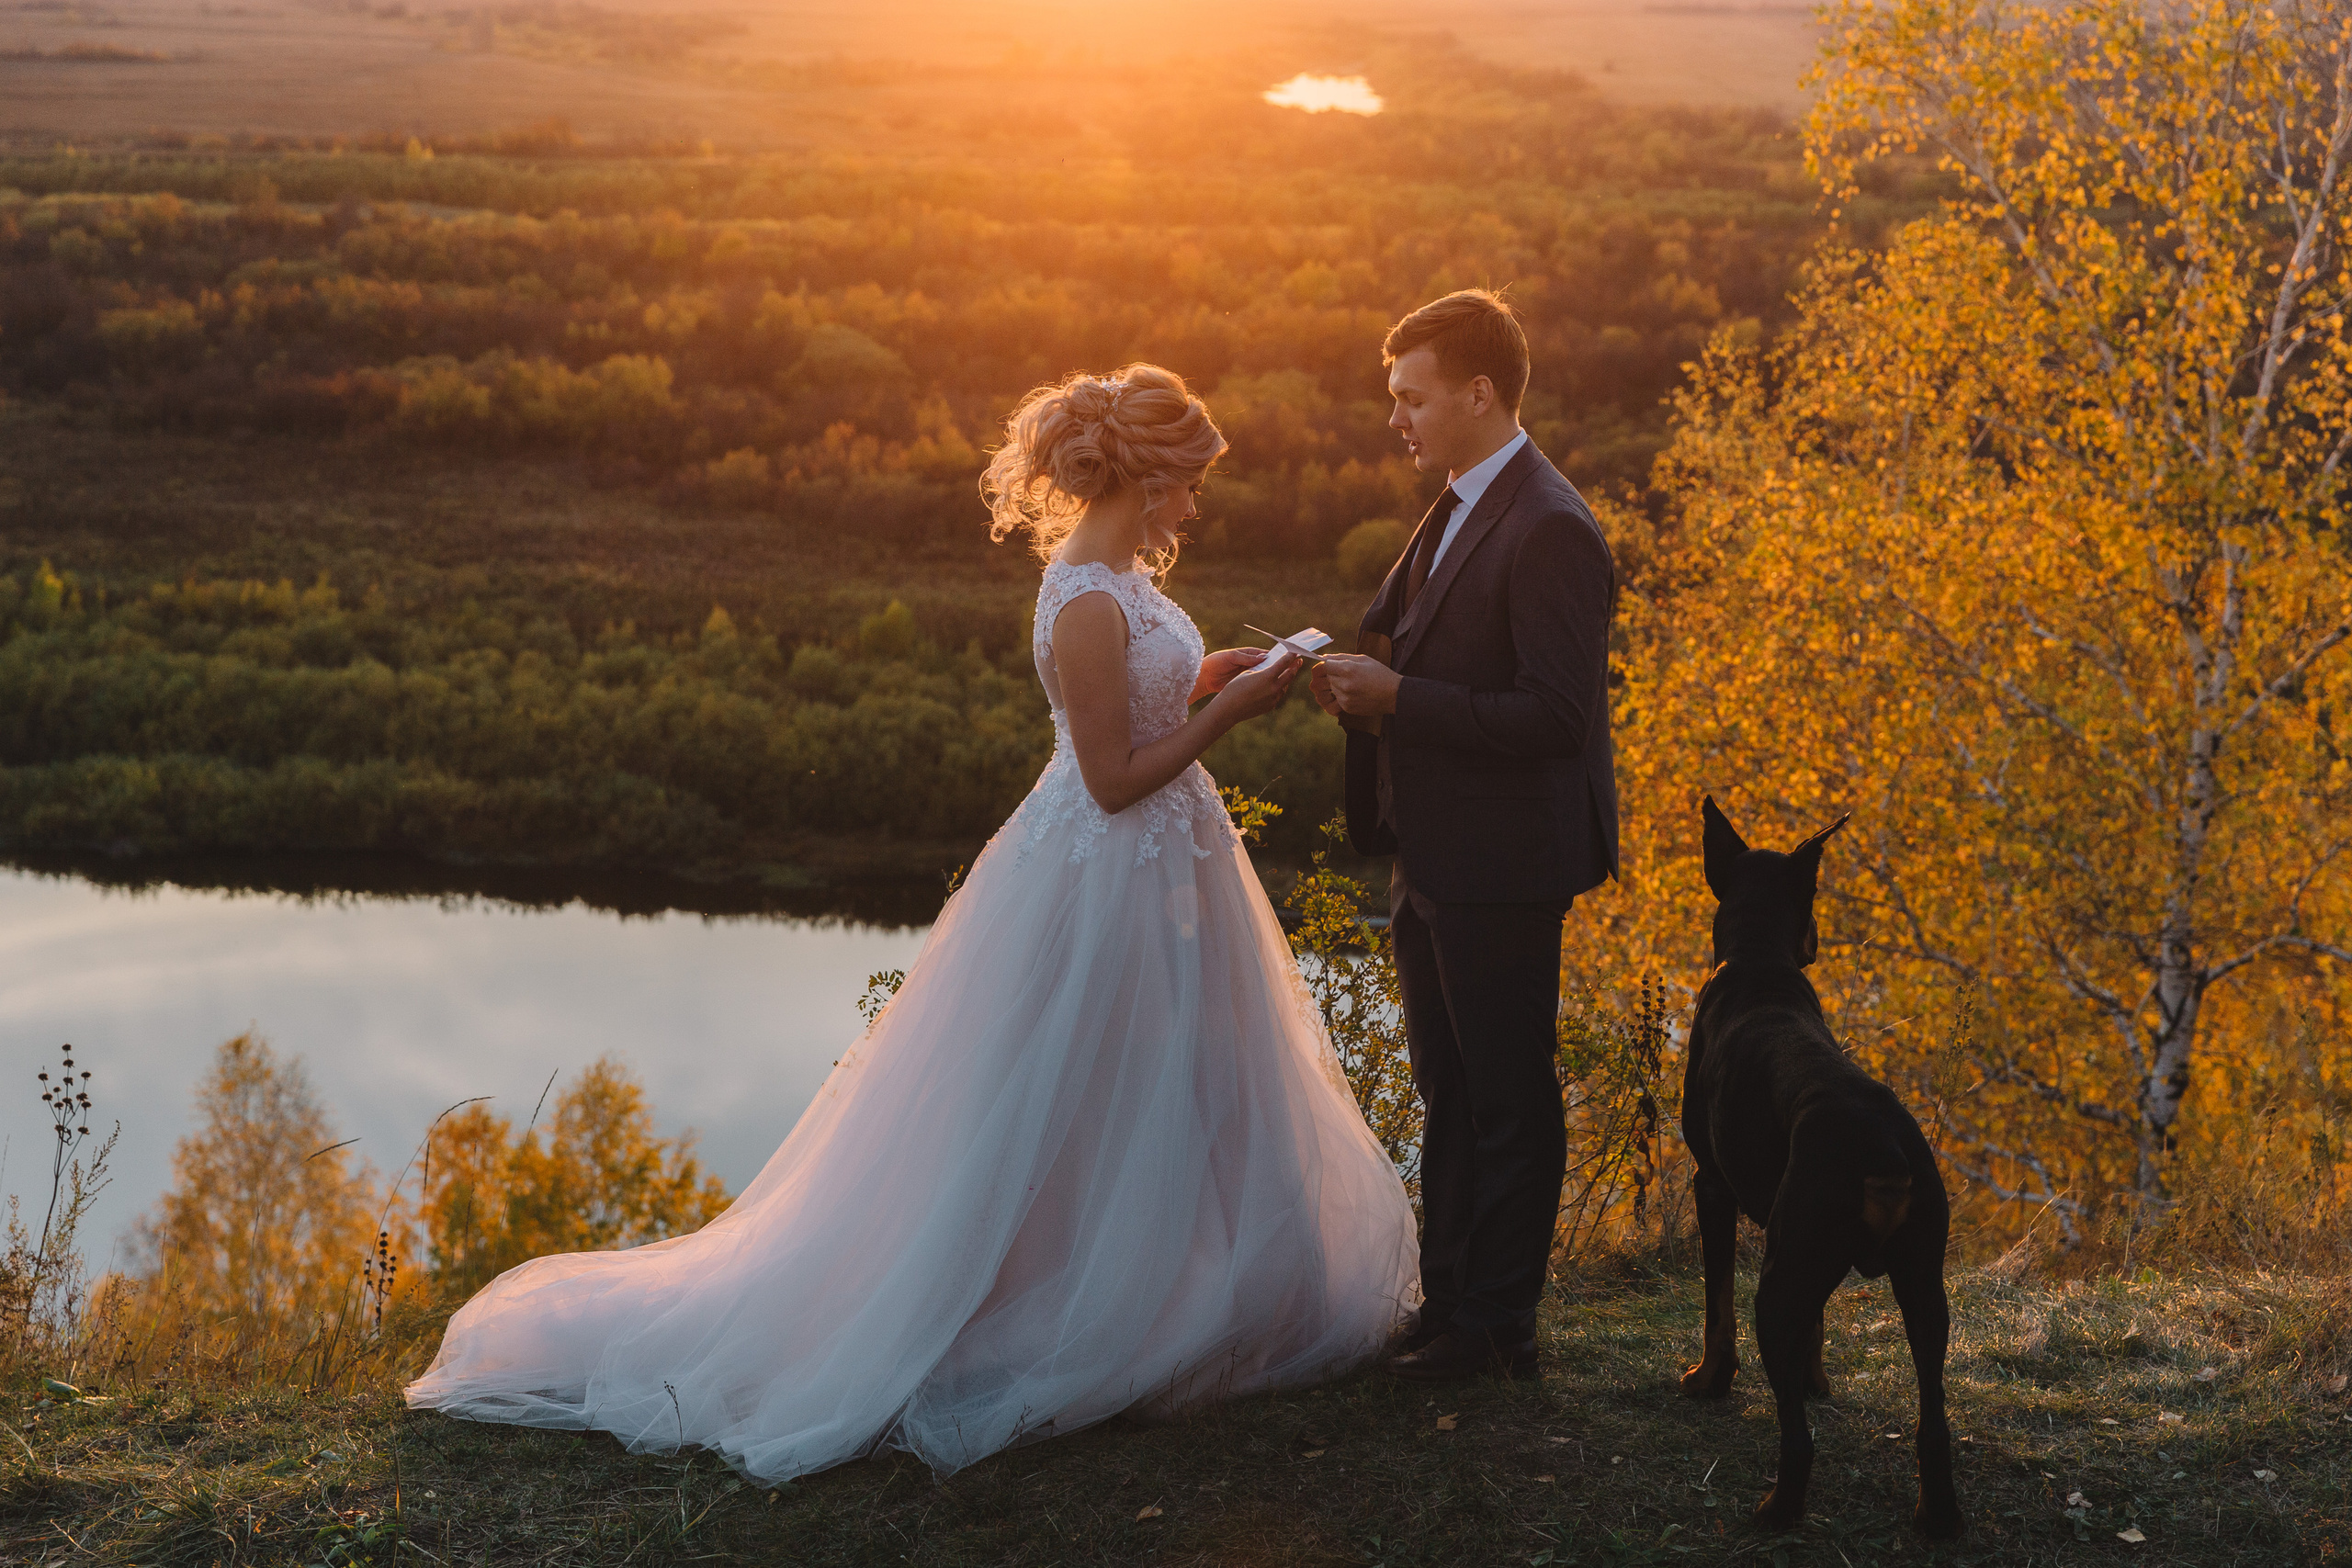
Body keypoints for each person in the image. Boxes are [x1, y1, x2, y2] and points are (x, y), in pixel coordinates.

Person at [407, 363, 1419, 1482]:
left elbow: (1140, 708)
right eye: (1188, 484)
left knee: (1164, 1088)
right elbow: (1110, 780)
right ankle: (1069, 1314)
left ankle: (1180, 1295)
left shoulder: (1125, 581)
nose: (1196, 505)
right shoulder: (1083, 595)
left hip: (1168, 874)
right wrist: (1229, 712)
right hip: (1107, 873)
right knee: (1069, 1094)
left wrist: (1209, 677)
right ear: (1146, 476)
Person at [1311, 289, 1619, 1383]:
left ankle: (1500, 1329)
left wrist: (1398, 700)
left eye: (1412, 397)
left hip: (1504, 860)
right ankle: (1448, 1312)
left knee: (1507, 1093)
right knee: (1449, 1088)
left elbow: (1554, 719)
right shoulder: (1457, 501)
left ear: (1478, 394)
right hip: (1434, 851)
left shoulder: (1550, 527)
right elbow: (1426, 644)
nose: (1397, 418)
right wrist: (1350, 681)